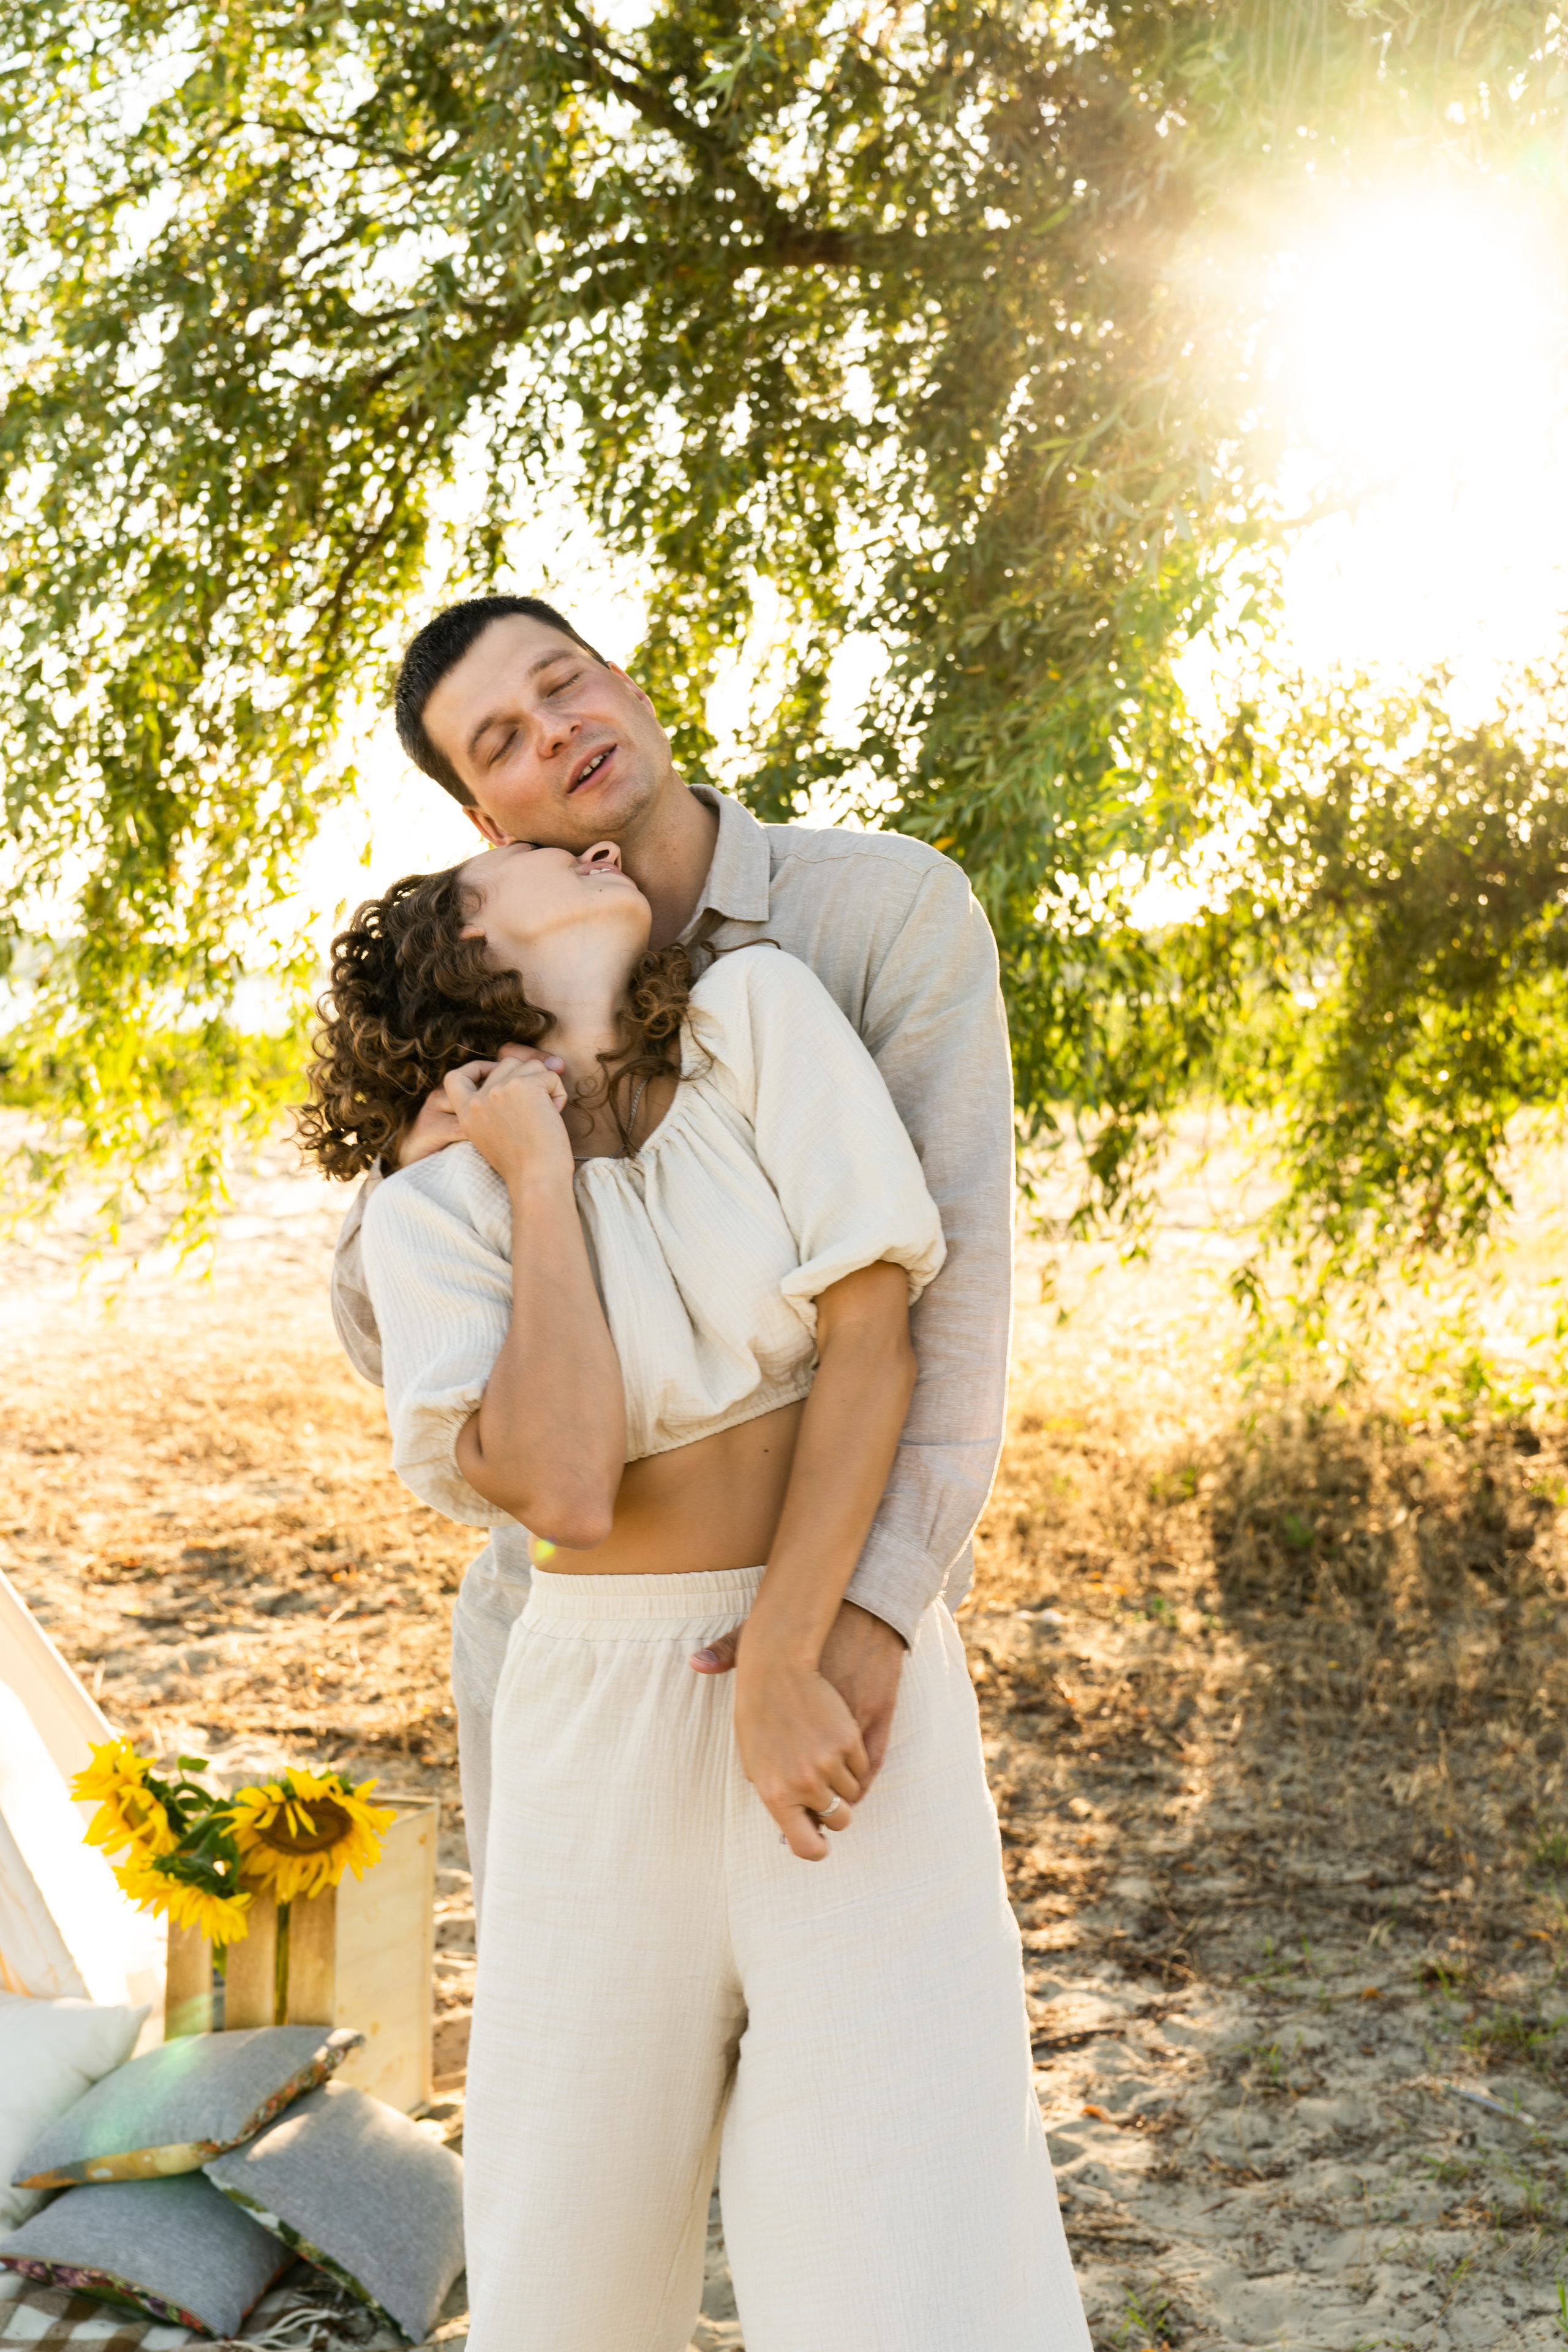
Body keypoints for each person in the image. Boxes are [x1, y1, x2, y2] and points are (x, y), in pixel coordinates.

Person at [301, 821, 1090, 2351]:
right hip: (596, 1705)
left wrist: (798, 1648)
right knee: (567, 2233)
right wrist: (537, 1180)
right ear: (469, 955)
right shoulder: (431, 1214)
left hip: (841, 1680)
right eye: (521, 858)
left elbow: (879, 1331)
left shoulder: (759, 1015)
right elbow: (570, 1487)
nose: (585, 842)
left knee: (911, 2210)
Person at [326, 594, 1019, 1920]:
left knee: (845, 2077)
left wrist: (862, 1620)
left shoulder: (875, 915)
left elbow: (953, 1302)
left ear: (626, 683)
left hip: (817, 1626)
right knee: (595, 2097)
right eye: (503, 741)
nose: (557, 731)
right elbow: (384, 1333)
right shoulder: (489, 997)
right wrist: (432, 1151)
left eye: (562, 683)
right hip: (562, 1636)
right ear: (488, 822)